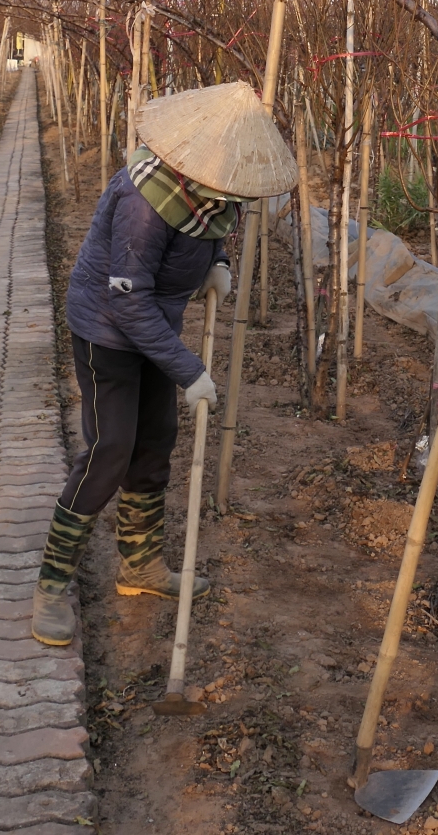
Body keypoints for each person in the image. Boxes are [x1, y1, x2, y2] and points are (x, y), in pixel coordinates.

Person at [32, 81, 298, 645]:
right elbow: (127, 298)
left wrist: (217, 262)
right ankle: (52, 584)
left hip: (153, 333)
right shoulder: (145, 203)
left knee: (154, 446)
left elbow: (211, 226)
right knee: (111, 450)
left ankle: (142, 568)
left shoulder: (206, 193)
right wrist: (189, 371)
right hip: (109, 332)